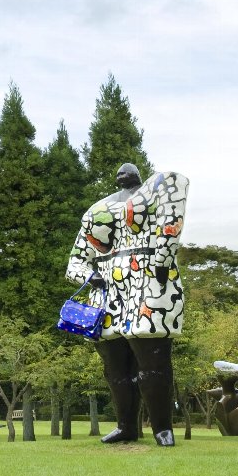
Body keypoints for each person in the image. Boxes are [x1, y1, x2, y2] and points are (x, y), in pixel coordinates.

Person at [66, 164, 188, 446]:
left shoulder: (156, 196)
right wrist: (90, 275)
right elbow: (75, 262)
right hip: (108, 294)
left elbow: (171, 227)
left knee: (153, 361)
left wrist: (161, 264)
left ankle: (162, 428)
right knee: (115, 368)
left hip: (148, 285)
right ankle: (126, 426)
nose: (123, 171)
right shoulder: (98, 211)